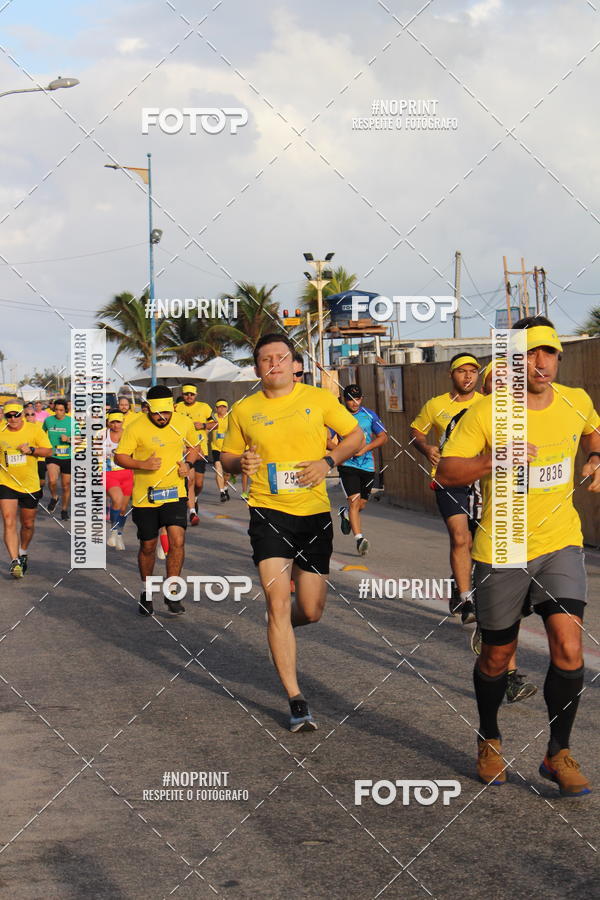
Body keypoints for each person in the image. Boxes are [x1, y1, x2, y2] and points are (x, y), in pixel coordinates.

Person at [437, 317, 600, 795]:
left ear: (558, 358)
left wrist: (596, 458)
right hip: (503, 545)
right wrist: (495, 459)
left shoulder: (576, 400)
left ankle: (558, 753)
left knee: (569, 646)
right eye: (529, 353)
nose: (540, 362)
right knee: (497, 655)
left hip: (560, 542)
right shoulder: (487, 413)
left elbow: (593, 433)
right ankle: (489, 738)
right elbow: (447, 472)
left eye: (548, 352)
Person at [221, 333, 364, 731]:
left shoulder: (318, 399)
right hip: (268, 512)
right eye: (266, 359)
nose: (274, 364)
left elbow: (356, 436)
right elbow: (226, 456)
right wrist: (239, 462)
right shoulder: (245, 409)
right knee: (278, 603)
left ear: (293, 363)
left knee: (311, 611)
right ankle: (296, 699)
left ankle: (279, 628)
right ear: (257, 368)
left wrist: (328, 461)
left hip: (313, 514)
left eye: (281, 357)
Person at [453, 360, 537, 705]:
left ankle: (489, 627)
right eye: (496, 380)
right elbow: (451, 468)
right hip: (482, 515)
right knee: (507, 608)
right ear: (486, 387)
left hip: (527, 526)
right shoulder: (471, 419)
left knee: (518, 608)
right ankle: (510, 676)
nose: (504, 386)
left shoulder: (531, 417)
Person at [114, 384, 201, 616]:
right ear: (148, 409)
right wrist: (141, 464)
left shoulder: (183, 422)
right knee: (148, 546)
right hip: (145, 497)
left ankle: (172, 591)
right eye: (157, 413)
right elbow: (120, 456)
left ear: (173, 408)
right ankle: (147, 591)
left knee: (177, 541)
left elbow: (195, 446)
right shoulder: (135, 426)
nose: (162, 417)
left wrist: (188, 464)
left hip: (175, 492)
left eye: (166, 412)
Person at [410, 354, 482, 624]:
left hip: (480, 480)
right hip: (447, 479)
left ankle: (458, 580)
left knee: (477, 543)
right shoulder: (436, 405)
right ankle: (467, 599)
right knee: (460, 538)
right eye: (462, 371)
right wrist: (425, 447)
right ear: (451, 375)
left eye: (473, 371)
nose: (468, 376)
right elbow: (416, 431)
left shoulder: (486, 404)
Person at [0, 400, 52, 577]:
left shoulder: (34, 429)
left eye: (16, 415)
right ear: (5, 416)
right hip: (6, 482)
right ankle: (14, 561)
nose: (13, 419)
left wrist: (31, 450)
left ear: (22, 414)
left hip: (29, 484)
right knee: (8, 520)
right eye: (9, 416)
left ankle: (22, 552)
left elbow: (48, 451)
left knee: (28, 524)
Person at [336, 385, 387, 556]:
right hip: (347, 465)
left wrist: (365, 449)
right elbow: (326, 439)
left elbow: (383, 436)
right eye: (350, 399)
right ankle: (359, 539)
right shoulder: (338, 416)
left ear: (362, 398)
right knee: (354, 501)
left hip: (367, 465)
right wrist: (343, 450)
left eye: (357, 399)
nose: (354, 403)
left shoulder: (369, 415)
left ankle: (345, 513)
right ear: (345, 400)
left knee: (361, 504)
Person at [174, 384, 213, 526]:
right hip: (185, 451)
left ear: (196, 395)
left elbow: (215, 424)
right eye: (186, 394)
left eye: (191, 394)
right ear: (182, 395)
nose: (189, 396)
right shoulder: (177, 408)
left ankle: (195, 497)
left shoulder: (204, 407)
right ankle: (192, 511)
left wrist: (203, 425)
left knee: (199, 483)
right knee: (189, 481)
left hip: (201, 451)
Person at [104, 411, 133, 550]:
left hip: (127, 474)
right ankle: (114, 531)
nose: (115, 425)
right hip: (108, 473)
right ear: (108, 422)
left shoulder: (129, 434)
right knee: (117, 499)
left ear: (123, 421)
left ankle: (119, 534)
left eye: (118, 422)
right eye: (112, 422)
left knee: (123, 509)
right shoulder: (101, 435)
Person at [42, 398, 74, 520]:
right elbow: (40, 435)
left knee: (66, 486)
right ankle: (54, 497)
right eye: (56, 410)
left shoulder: (72, 422)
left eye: (61, 410)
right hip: (53, 455)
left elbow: (81, 440)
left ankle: (64, 510)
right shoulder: (48, 421)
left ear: (66, 410)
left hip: (68, 457)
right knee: (52, 481)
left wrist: (69, 439)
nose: (58, 412)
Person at [210, 399, 231, 502]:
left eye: (224, 407)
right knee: (219, 469)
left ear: (227, 408)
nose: (222, 409)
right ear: (216, 408)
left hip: (228, 448)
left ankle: (225, 486)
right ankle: (222, 492)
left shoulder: (231, 418)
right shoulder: (213, 417)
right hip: (216, 448)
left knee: (228, 473)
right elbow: (206, 428)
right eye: (219, 407)